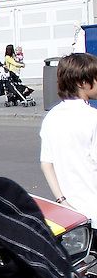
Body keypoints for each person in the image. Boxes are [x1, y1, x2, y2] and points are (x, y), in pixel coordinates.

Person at [40, 52, 97, 223]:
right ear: (82, 82)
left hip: (71, 214)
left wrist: (62, 200)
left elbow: (46, 164)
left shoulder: (52, 117)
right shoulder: (92, 118)